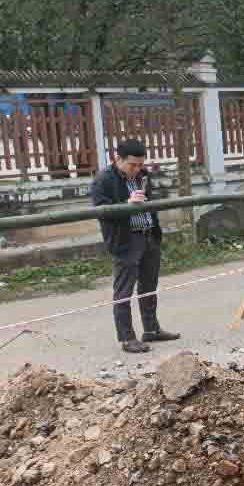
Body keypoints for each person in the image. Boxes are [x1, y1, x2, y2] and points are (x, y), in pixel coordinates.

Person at [91, 139, 180, 353]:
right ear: (118, 159)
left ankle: (151, 330)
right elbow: (101, 210)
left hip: (149, 235)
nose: (137, 169)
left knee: (149, 287)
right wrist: (127, 205)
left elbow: (153, 201)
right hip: (125, 239)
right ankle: (127, 338)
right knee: (124, 290)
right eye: (132, 165)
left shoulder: (143, 175)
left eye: (140, 164)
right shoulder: (103, 180)